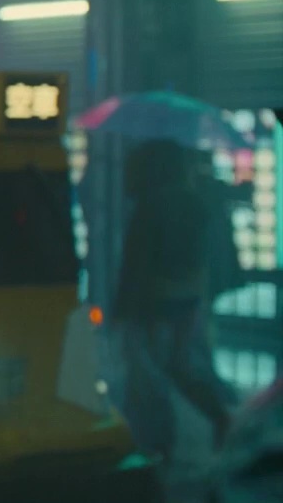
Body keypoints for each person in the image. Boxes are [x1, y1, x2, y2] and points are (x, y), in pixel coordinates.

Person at [112, 139, 243, 500]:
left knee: (149, 375)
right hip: (188, 298)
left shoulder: (149, 207)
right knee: (180, 367)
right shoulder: (193, 201)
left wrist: (123, 310)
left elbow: (136, 266)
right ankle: (217, 418)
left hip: (153, 303)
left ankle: (159, 445)